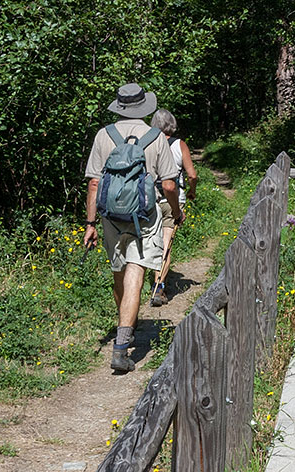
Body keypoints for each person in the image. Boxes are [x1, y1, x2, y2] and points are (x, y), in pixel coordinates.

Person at [83, 83, 184, 372]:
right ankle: (122, 344)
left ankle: (123, 324)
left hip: (110, 216)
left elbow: (93, 183)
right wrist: (176, 211)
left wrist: (90, 224)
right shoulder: (156, 138)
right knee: (136, 272)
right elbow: (167, 184)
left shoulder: (104, 135)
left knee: (119, 271)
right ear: (144, 107)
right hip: (145, 216)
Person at [149, 108, 198, 307]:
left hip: (150, 199)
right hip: (172, 200)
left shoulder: (148, 143)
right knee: (166, 243)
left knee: (152, 242)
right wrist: (192, 191)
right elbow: (192, 175)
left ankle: (149, 281)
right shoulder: (179, 145)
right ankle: (158, 287)